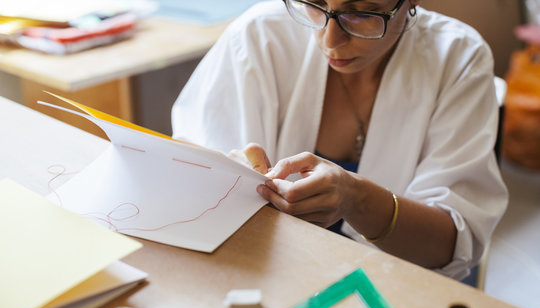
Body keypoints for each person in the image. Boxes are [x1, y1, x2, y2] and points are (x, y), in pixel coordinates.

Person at [171, 0, 508, 280]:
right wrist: (230, 182)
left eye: (361, 13)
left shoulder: (458, 57)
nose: (329, 40)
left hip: (396, 286)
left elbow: (450, 246)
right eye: (315, 4)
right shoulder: (259, 36)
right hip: (265, 272)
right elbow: (185, 182)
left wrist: (357, 198)